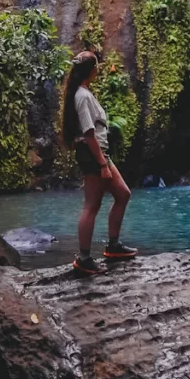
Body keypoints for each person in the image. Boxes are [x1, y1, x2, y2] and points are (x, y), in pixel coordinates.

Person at [62, 50, 137, 275]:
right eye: (96, 66)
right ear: (90, 70)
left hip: (99, 153)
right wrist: (102, 164)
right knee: (91, 206)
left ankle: (113, 246)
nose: (99, 70)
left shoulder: (84, 93)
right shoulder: (82, 96)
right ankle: (84, 258)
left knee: (122, 194)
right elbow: (88, 133)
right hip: (93, 154)